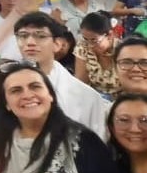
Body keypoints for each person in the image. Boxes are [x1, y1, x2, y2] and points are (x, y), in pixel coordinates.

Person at [14, 12, 112, 140]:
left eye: (40, 36)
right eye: (23, 36)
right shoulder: (7, 87)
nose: (30, 42)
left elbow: (97, 146)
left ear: (57, 44)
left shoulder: (87, 97)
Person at [74, 12, 119, 96]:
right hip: (94, 97)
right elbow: (81, 84)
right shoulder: (83, 48)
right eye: (85, 39)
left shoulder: (122, 51)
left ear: (109, 35)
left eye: (94, 40)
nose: (90, 45)